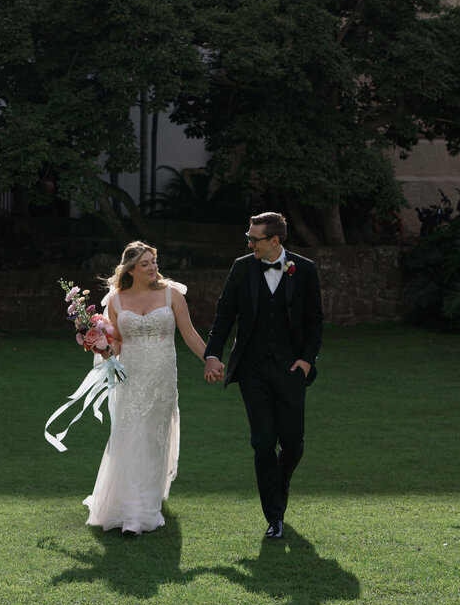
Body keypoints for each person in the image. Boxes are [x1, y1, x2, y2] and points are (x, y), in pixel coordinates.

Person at [203, 210, 323, 540]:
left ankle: (278, 489)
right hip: (253, 369)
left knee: (293, 443)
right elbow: (225, 315)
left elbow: (315, 321)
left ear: (274, 240)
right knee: (263, 441)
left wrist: (306, 361)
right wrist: (212, 355)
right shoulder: (243, 268)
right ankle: (274, 515)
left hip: (290, 369)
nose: (248, 243)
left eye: (254, 239)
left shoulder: (304, 269)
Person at [84, 240, 211, 536]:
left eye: (154, 262)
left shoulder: (172, 295)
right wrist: (102, 346)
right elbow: (117, 342)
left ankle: (144, 508)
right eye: (145, 264)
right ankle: (129, 511)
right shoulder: (115, 300)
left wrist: (210, 360)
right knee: (128, 437)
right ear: (130, 269)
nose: (153, 267)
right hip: (130, 378)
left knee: (153, 439)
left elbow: (189, 333)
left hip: (161, 378)